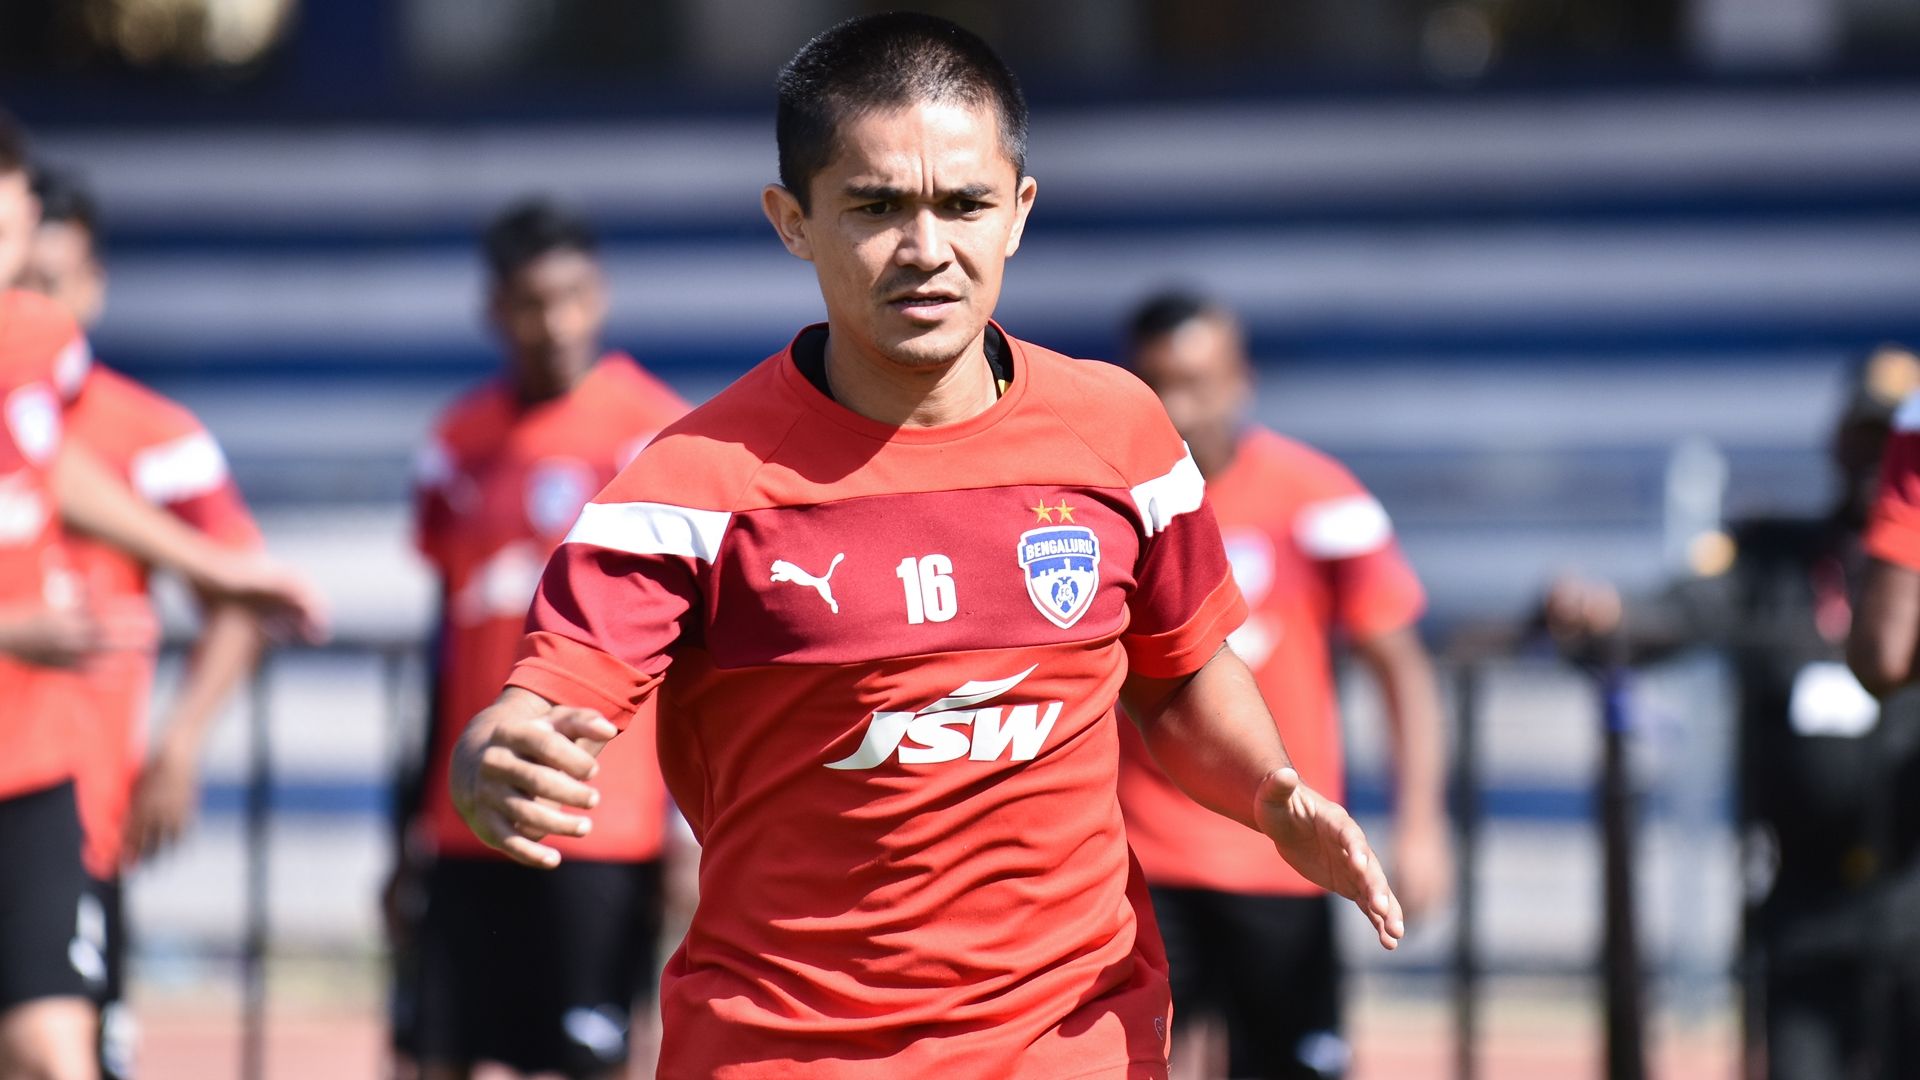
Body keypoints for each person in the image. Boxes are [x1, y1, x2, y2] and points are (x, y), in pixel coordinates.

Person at [447, 15, 1402, 1079]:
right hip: (786, 1051)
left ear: (1019, 213)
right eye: (875, 206)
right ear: (792, 220)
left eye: (965, 203)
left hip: (1073, 1041)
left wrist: (1269, 789)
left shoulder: (1121, 433)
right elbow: (552, 692)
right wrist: (496, 750)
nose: (928, 249)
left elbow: (1177, 683)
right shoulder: (689, 484)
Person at [0, 109, 324, 1080]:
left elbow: (50, 473)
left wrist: (220, 570)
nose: (19, 260)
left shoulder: (44, 348)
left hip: (46, 772)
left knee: (59, 1050)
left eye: (18, 228)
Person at [1555, 345, 1920, 1079]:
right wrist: (1602, 611)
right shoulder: (1771, 557)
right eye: (1865, 437)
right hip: (1803, 905)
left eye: (1894, 445)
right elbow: (1677, 610)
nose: (1878, 460)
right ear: (1838, 443)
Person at [389, 200, 688, 1080]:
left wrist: (684, 825)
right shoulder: (454, 445)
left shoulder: (658, 439)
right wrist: (405, 825)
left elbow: (687, 651)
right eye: (530, 301)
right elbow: (444, 639)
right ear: (495, 309)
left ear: (599, 297)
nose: (554, 323)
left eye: (571, 297)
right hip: (465, 814)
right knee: (438, 1057)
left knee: (582, 1063)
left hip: (601, 817)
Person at [1116, 294, 1449, 1079]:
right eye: (1157, 384)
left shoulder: (1317, 497)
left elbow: (1399, 662)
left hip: (1283, 851)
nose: (1177, 407)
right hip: (1141, 860)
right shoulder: (1109, 504)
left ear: (1242, 381)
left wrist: (1422, 823)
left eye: (1198, 382)